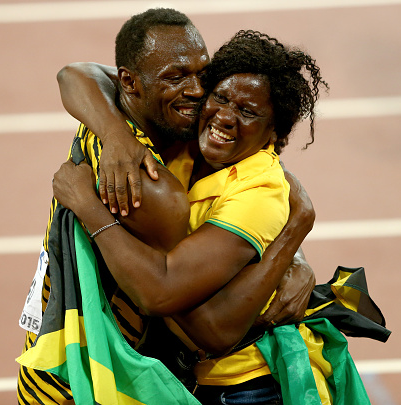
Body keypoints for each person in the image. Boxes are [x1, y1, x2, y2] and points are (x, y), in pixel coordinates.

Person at [17, 9, 317, 405]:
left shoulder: (119, 120)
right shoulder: (146, 177)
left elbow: (204, 312)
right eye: (175, 77)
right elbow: (73, 74)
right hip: (88, 378)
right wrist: (292, 230)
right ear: (129, 82)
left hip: (67, 359)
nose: (196, 91)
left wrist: (293, 243)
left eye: (203, 75)